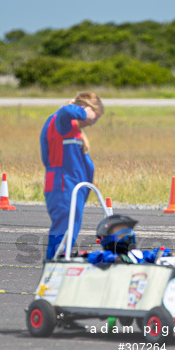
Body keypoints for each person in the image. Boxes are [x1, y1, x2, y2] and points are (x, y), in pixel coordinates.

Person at [40, 92, 105, 260]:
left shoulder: (75, 131)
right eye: (94, 118)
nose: (92, 123)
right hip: (63, 186)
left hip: (72, 188)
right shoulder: (62, 122)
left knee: (69, 233)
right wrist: (85, 112)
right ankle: (53, 268)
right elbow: (65, 111)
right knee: (62, 232)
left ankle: (61, 263)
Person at [87, 214, 170, 266]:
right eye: (122, 234)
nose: (128, 238)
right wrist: (117, 259)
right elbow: (97, 257)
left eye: (129, 233)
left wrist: (165, 254)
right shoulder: (100, 256)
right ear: (105, 238)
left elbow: (149, 255)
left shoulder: (135, 256)